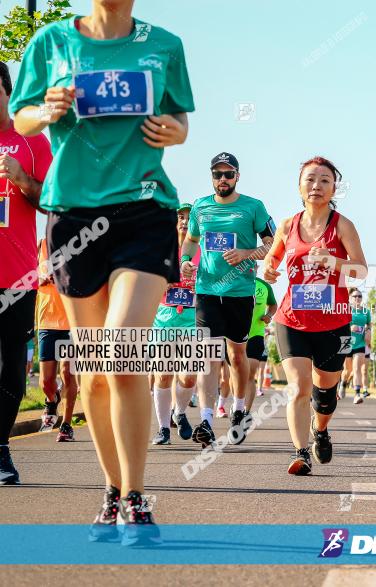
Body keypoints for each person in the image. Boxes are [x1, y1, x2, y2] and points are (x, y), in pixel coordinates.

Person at [11, 0, 194, 544]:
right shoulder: (50, 42)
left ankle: (137, 497)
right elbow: (22, 116)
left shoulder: (164, 44)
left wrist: (174, 132)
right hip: (73, 216)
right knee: (93, 368)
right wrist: (47, 109)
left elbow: (180, 117)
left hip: (144, 210)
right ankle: (113, 491)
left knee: (121, 346)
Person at [263, 156, 367, 475]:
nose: (316, 186)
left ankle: (320, 430)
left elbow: (361, 270)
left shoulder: (343, 225)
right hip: (292, 319)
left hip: (333, 321)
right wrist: (268, 269)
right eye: (310, 179)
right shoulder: (287, 225)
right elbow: (271, 260)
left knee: (325, 396)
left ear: (334, 187)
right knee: (298, 386)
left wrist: (334, 262)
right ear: (299, 187)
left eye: (324, 180)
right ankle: (300, 451)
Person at [181, 152, 275, 448]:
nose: (223, 179)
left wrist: (247, 254)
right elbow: (192, 240)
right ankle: (206, 420)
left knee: (237, 355)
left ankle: (238, 411)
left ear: (237, 176)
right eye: (217, 174)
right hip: (207, 291)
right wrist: (185, 259)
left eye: (228, 174)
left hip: (240, 292)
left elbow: (272, 244)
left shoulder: (253, 207)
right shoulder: (200, 207)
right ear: (212, 177)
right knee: (208, 355)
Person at [0, 61, 52, 484]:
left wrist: (22, 181)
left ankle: (1, 448)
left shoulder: (31, 140)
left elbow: (53, 201)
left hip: (15, 275)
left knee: (11, 366)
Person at [149, 203, 199, 446]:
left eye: (189, 217)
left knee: (189, 377)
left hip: (192, 320)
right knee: (163, 375)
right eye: (180, 216)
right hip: (164, 319)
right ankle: (162, 429)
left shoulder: (201, 251)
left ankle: (179, 412)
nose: (184, 221)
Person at [36, 239, 78, 441]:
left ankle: (67, 425)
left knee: (68, 373)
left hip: (72, 320)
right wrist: (40, 277)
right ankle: (52, 400)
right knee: (46, 382)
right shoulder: (40, 245)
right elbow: (26, 276)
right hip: (47, 320)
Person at [244, 275, 277, 416]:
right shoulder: (233, 280)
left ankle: (245, 411)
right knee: (237, 375)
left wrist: (269, 315)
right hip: (235, 335)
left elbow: (273, 305)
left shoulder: (264, 285)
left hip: (256, 334)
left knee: (250, 374)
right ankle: (238, 404)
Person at [347, 288, 371, 405]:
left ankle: (357, 394)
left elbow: (368, 324)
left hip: (360, 343)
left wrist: (368, 330)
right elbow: (339, 325)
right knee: (346, 371)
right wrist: (349, 328)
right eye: (355, 296)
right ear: (350, 298)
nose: (357, 298)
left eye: (360, 296)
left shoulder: (366, 312)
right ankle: (342, 384)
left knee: (357, 369)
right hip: (346, 342)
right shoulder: (346, 310)